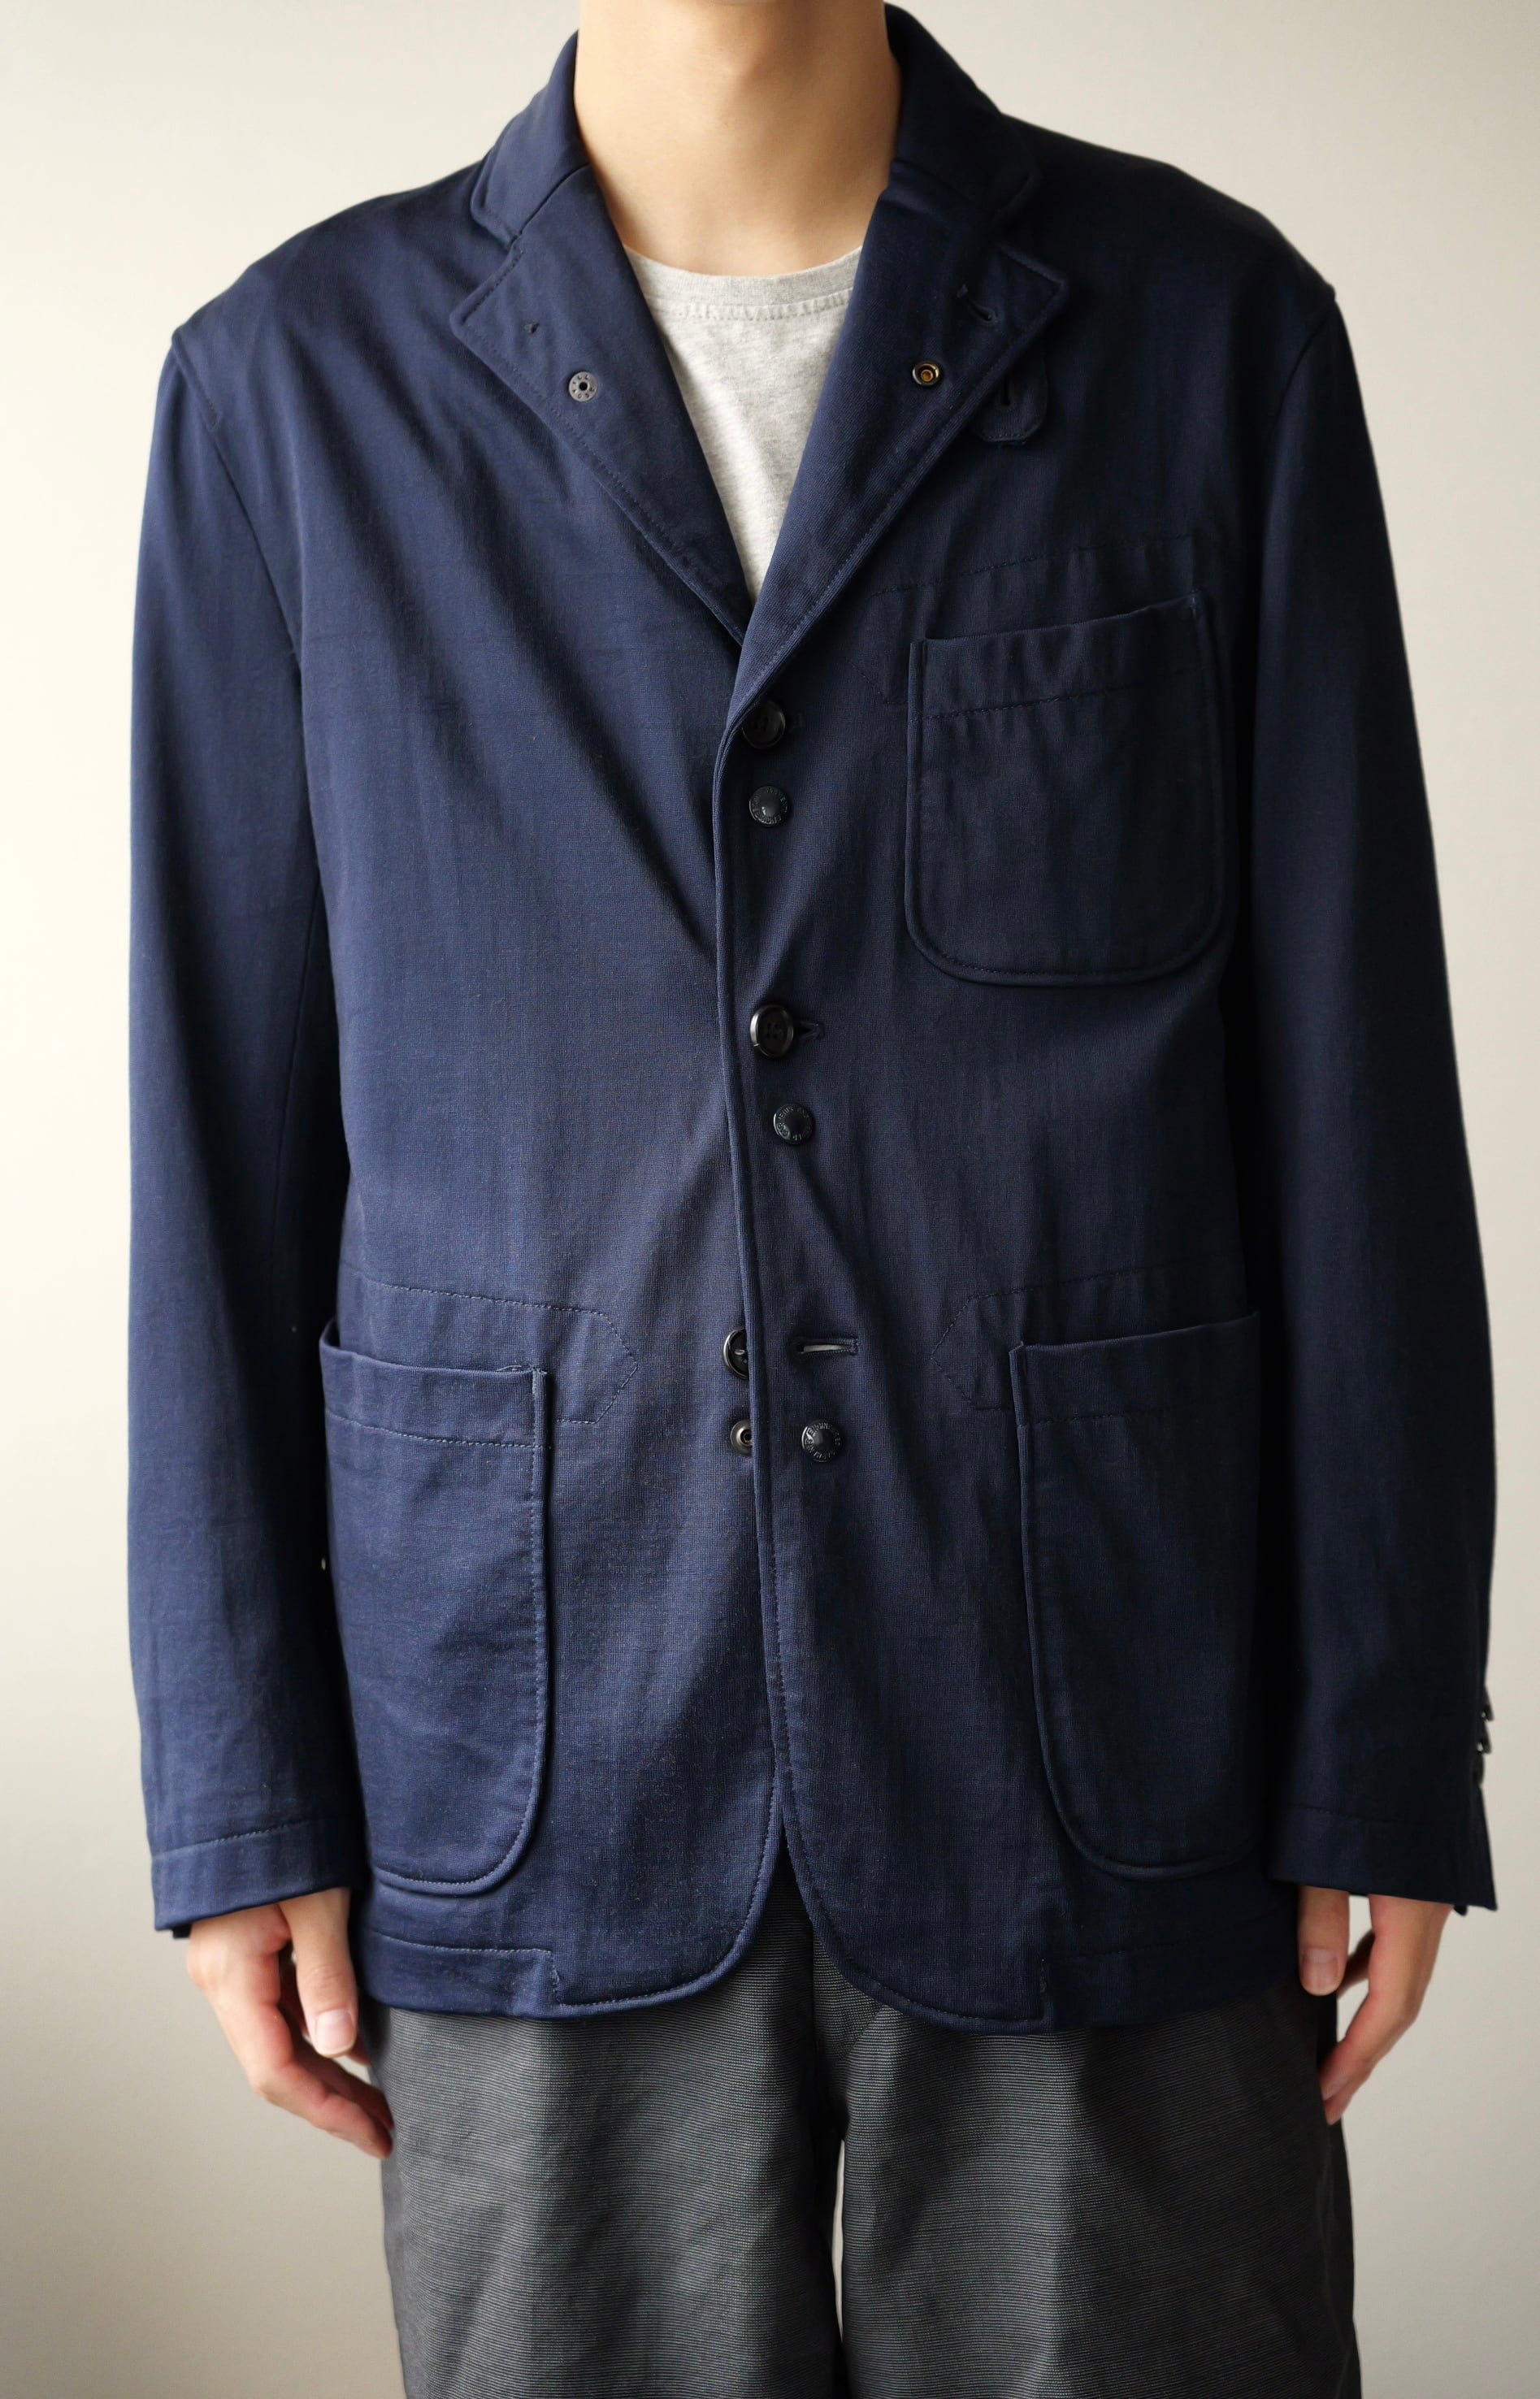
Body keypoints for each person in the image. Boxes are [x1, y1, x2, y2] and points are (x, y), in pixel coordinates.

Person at [128, 2, 1495, 2391]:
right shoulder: (293, 387)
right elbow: (220, 1134)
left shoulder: (1209, 333)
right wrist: (240, 1790)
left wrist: (1379, 1731)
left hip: (1111, 1713)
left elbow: (1356, 1089)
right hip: (534, 1728)